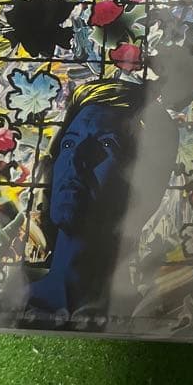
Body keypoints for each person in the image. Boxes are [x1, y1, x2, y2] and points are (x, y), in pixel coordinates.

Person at [26, 81, 177, 321]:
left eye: (106, 144)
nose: (76, 159)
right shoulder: (2, 303)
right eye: (69, 143)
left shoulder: (151, 319)